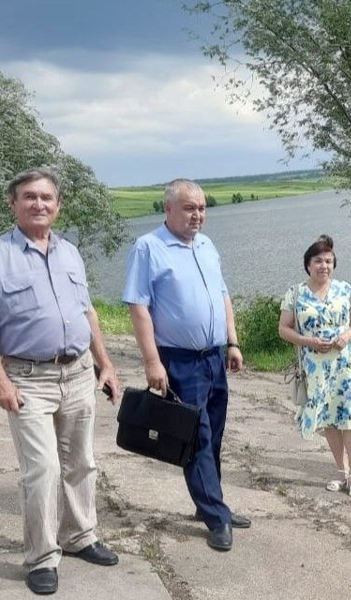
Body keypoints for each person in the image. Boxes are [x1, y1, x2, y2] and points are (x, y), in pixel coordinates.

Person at [0, 168, 122, 595]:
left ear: (58, 205)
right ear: (13, 204)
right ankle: (41, 557)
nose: (39, 204)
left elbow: (88, 313)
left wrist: (105, 363)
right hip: (27, 378)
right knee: (43, 469)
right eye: (29, 197)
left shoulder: (70, 253)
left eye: (46, 198)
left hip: (77, 372)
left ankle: (79, 536)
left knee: (81, 463)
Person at [122, 179, 248, 552]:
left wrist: (233, 340)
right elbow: (137, 306)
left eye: (203, 208)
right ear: (169, 209)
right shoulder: (149, 248)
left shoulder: (207, 246)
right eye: (190, 208)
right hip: (178, 359)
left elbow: (222, 294)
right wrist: (152, 362)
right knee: (197, 439)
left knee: (216, 435)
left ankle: (210, 503)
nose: (198, 215)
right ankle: (216, 517)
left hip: (213, 357)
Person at [278, 235, 351, 497]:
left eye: (329, 261)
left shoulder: (345, 290)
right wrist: (308, 341)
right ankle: (340, 471)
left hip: (344, 364)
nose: (324, 266)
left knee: (349, 416)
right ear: (308, 264)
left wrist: (346, 336)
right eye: (318, 261)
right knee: (328, 417)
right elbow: (284, 329)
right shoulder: (295, 294)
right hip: (315, 366)